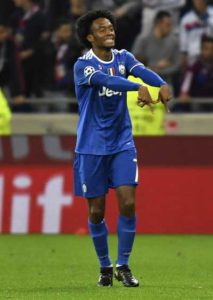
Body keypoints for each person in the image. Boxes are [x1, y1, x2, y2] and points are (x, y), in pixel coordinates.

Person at [73, 10, 171, 287]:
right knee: (96, 212)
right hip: (90, 147)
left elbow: (142, 71)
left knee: (128, 203)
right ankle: (104, 266)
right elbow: (106, 81)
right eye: (102, 29)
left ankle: (123, 265)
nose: (110, 32)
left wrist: (161, 83)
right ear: (90, 37)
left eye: (111, 28)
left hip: (121, 143)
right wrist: (134, 87)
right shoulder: (83, 65)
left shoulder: (123, 57)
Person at [132, 11, 180, 87]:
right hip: (143, 82)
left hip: (165, 82)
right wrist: (156, 66)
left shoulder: (174, 42)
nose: (170, 28)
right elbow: (134, 62)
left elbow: (177, 65)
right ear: (158, 23)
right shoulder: (143, 40)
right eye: (167, 25)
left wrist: (158, 71)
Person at [178, 34, 213, 112]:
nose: (210, 52)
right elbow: (187, 81)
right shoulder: (195, 66)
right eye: (207, 49)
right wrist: (184, 93)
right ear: (201, 50)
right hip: (197, 101)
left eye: (212, 49)